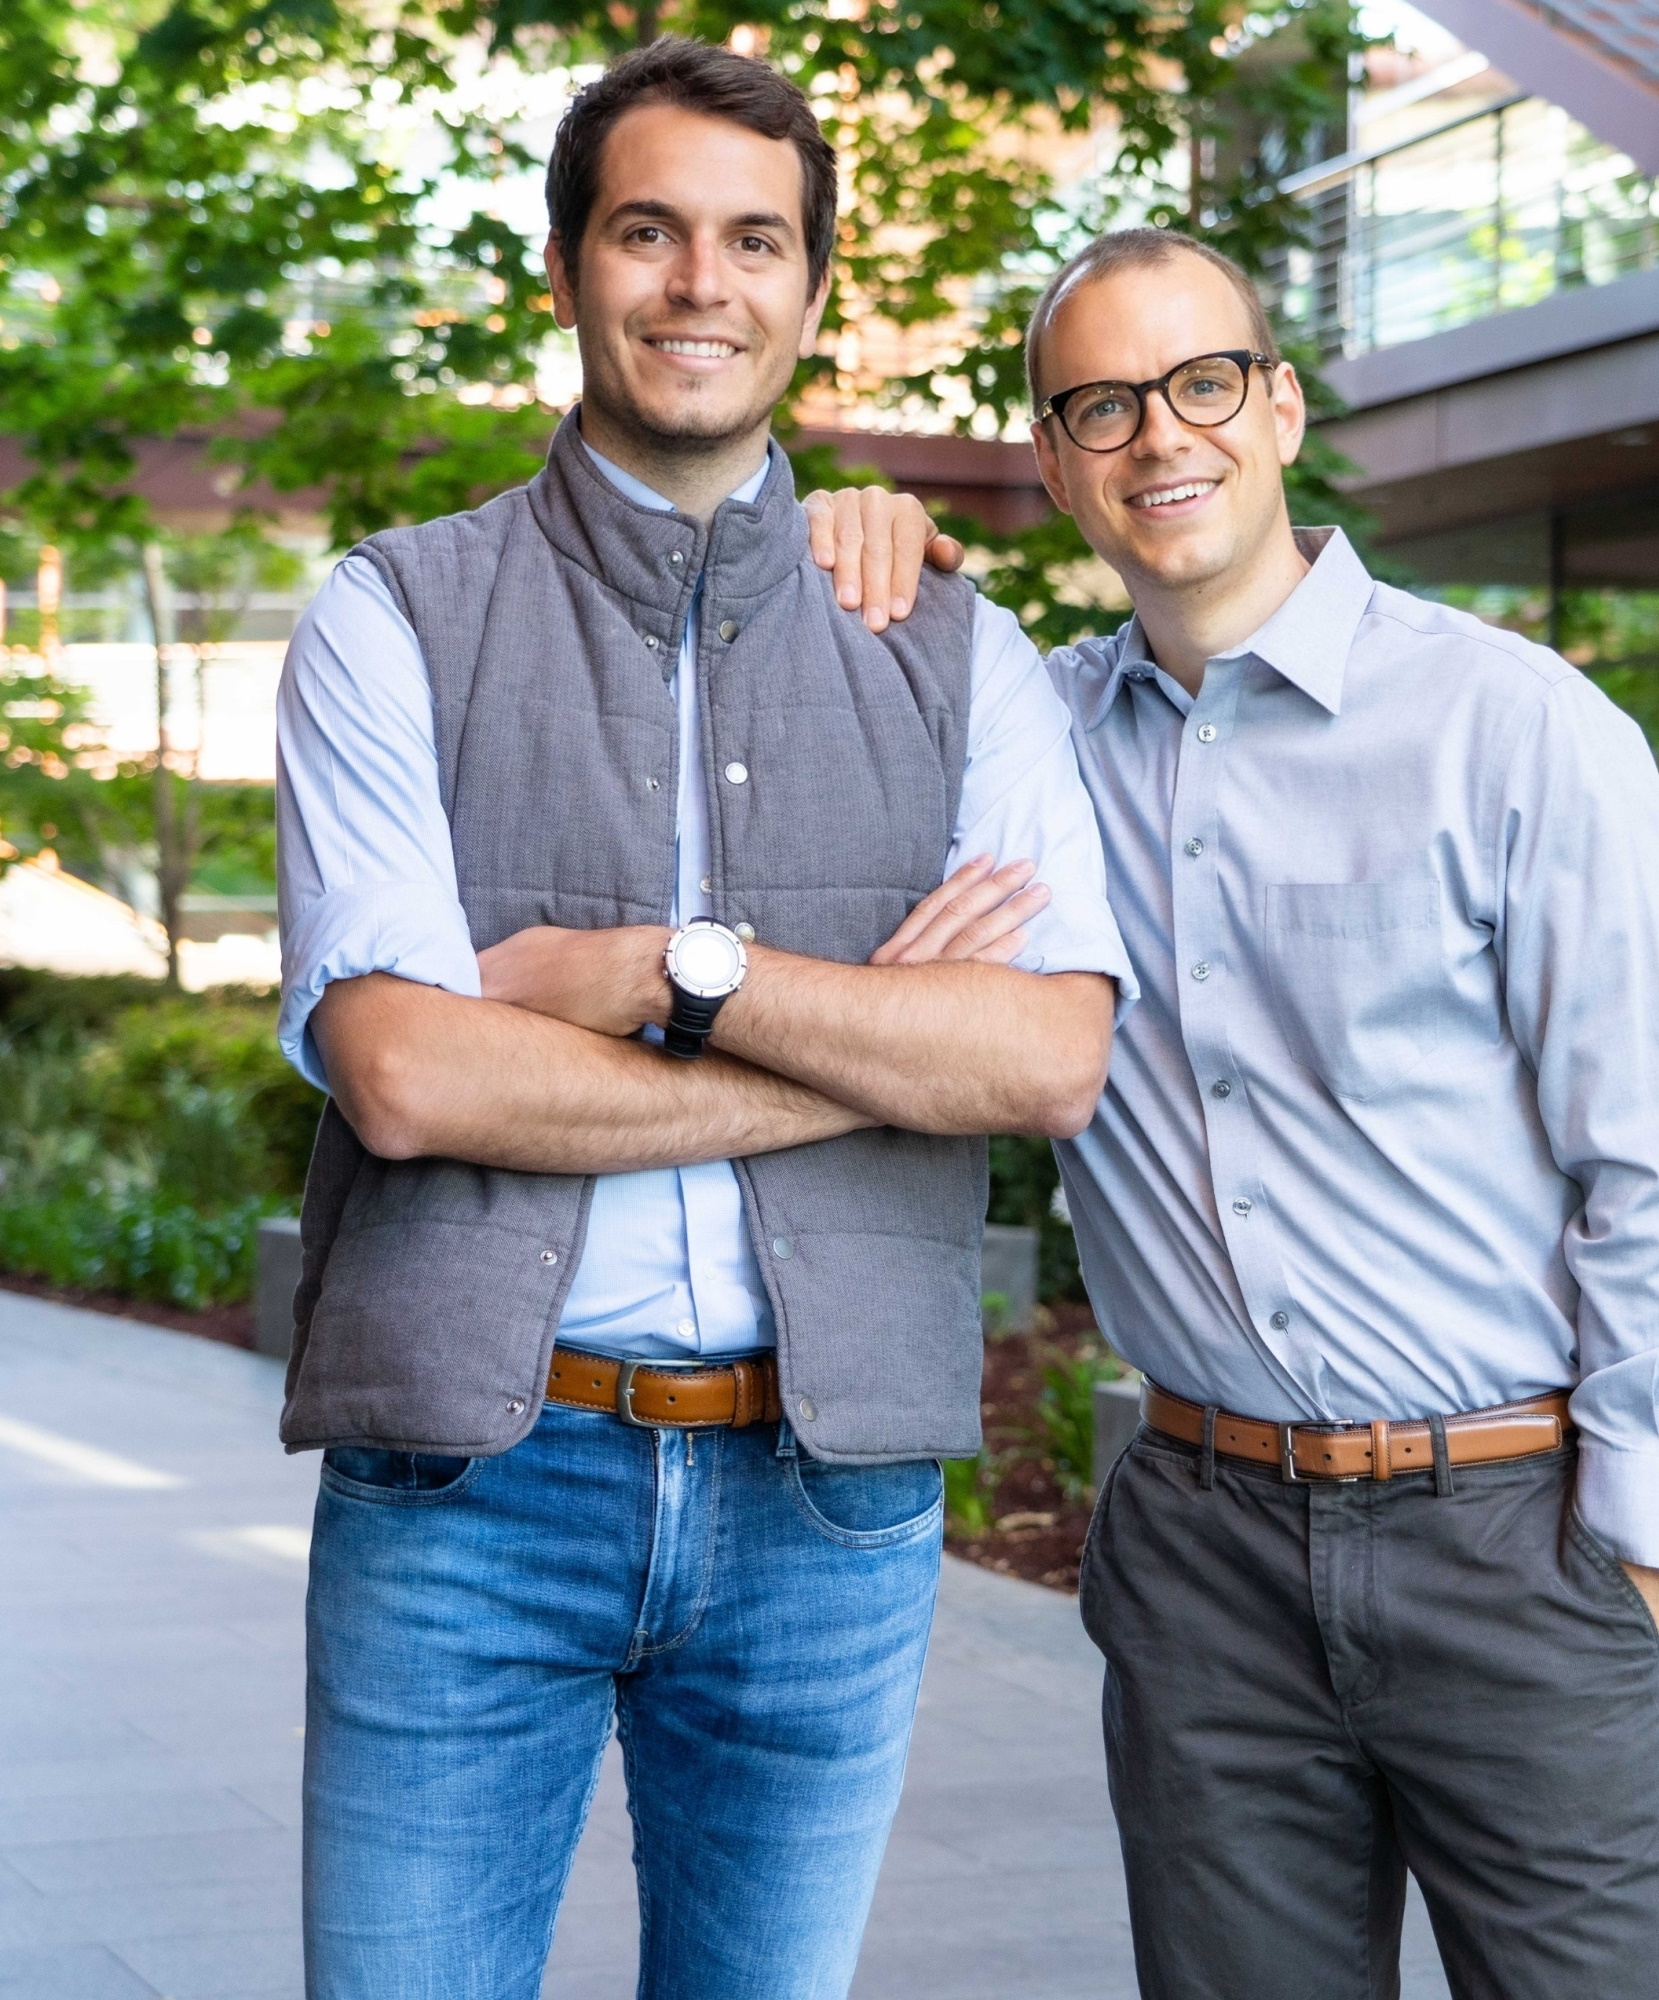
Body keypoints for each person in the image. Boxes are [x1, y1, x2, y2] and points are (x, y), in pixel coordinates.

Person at [803, 227, 1659, 1999]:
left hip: (1512, 1529)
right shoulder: (1034, 742)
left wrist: (1626, 1538)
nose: (1162, 436)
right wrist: (827, 525)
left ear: (1282, 402)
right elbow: (818, 682)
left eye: (1203, 381)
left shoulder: (1517, 729)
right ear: (1055, 461)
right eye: (1101, 405)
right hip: (1204, 1548)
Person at [274, 37, 1132, 2000]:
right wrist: (875, 1053)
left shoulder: (956, 644)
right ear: (567, 268)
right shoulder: (385, 615)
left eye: (754, 241)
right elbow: (405, 1075)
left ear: (813, 291)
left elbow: (1046, 1061)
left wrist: (676, 977)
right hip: (472, 1488)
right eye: (647, 230)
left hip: (824, 1508)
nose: (699, 284)